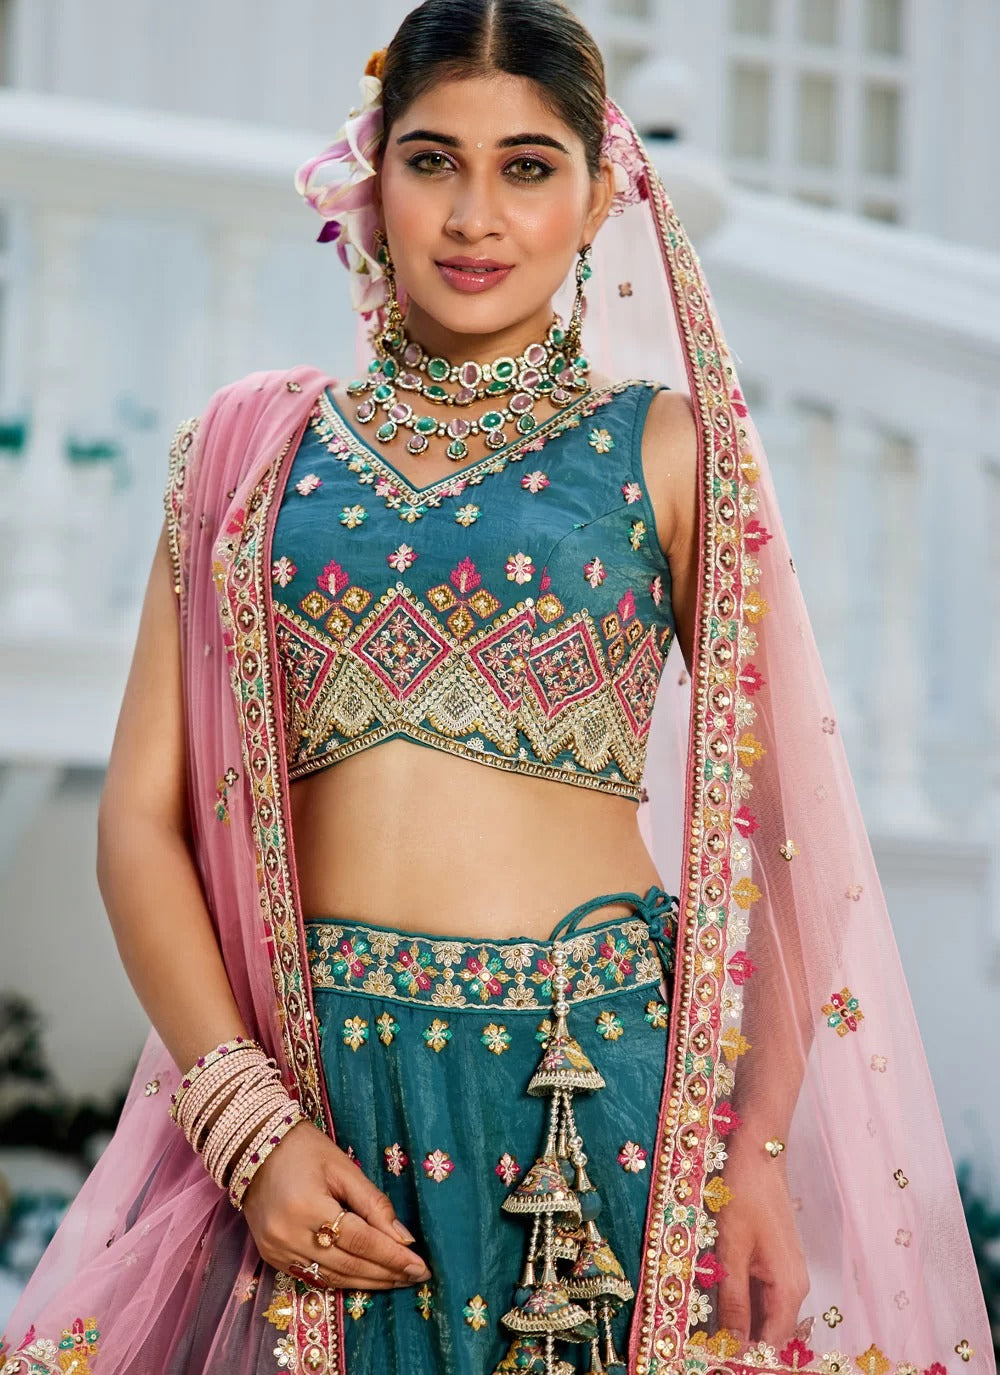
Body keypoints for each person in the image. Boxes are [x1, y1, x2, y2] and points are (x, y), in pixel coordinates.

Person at [1, 2, 991, 1374]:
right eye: (432, 161)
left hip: (588, 1101)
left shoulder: (666, 452)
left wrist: (754, 1151)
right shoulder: (247, 455)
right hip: (312, 1106)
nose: (476, 214)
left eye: (527, 166)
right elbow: (141, 824)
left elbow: (783, 829)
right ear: (373, 179)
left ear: (600, 198)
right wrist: (252, 1128)